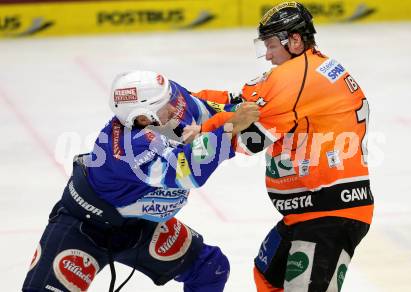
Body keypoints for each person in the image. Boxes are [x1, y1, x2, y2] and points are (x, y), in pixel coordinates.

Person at [191, 2, 374, 291]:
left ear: (296, 40)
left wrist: (201, 131)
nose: (267, 54)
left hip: (329, 213)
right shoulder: (304, 69)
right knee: (266, 276)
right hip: (309, 209)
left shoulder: (297, 76)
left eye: (272, 44)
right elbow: (239, 102)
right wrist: (184, 98)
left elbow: (251, 139)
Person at [22, 70, 259, 292]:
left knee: (209, 268)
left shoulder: (164, 101)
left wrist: (262, 107)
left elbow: (210, 107)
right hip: (84, 229)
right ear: (143, 117)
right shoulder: (129, 149)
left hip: (138, 226)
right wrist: (230, 128)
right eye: (168, 105)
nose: (177, 107)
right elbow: (188, 172)